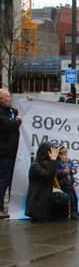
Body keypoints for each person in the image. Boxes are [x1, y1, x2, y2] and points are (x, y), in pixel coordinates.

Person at [25, 143, 69, 221]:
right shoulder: (36, 165)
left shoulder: (48, 164)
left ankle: (58, 217)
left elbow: (55, 175)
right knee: (60, 197)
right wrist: (53, 160)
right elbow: (48, 175)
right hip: (38, 198)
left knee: (64, 197)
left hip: (46, 194)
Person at [0, 89, 21, 219]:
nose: (9, 99)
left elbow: (18, 113)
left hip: (13, 152)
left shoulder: (10, 111)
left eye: (9, 97)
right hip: (4, 152)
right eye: (6, 97)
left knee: (10, 181)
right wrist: (18, 121)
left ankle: (9, 207)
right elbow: (8, 124)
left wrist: (30, 102)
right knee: (3, 180)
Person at [56, 146, 79, 219]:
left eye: (65, 153)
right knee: (69, 198)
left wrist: (72, 170)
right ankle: (71, 212)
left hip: (70, 182)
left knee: (75, 198)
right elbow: (56, 173)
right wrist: (63, 171)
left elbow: (74, 168)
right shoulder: (57, 163)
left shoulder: (68, 161)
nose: (64, 155)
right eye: (61, 153)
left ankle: (75, 211)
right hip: (63, 184)